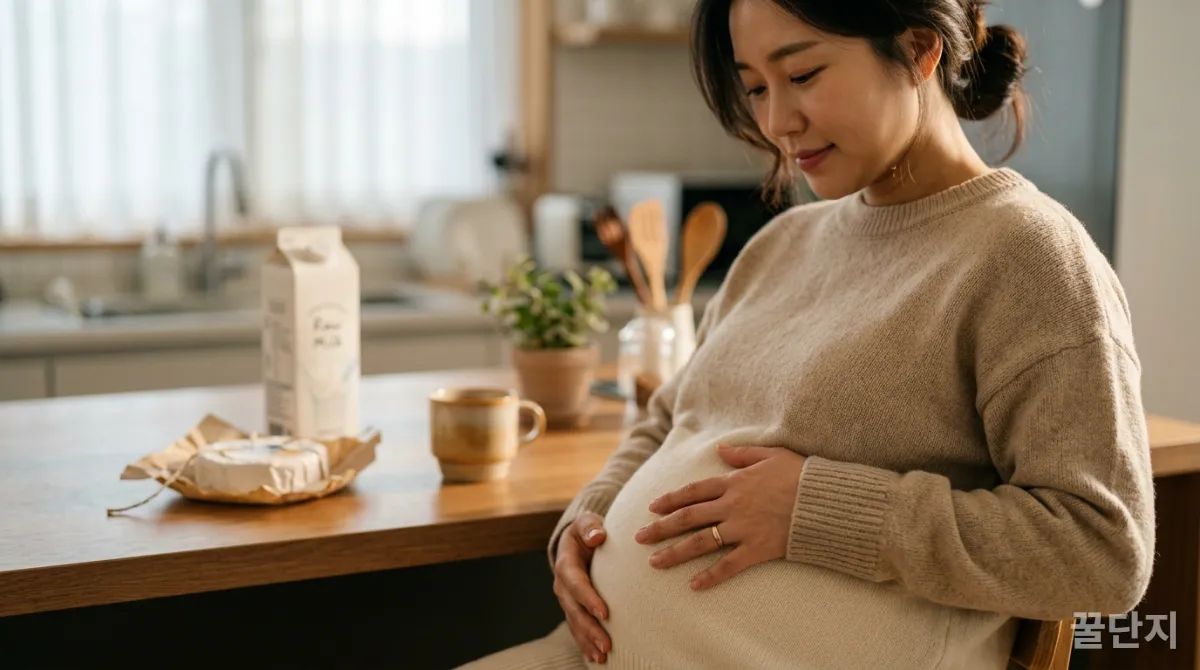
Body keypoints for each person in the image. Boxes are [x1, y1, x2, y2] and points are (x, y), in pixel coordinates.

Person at [460, 0, 1155, 667]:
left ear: (918, 48)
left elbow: (1101, 552)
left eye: (802, 76)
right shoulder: (782, 244)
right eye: (756, 87)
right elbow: (671, 417)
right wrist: (592, 516)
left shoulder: (1027, 255)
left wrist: (818, 510)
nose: (776, 121)